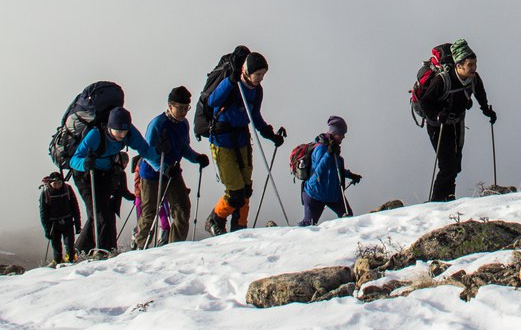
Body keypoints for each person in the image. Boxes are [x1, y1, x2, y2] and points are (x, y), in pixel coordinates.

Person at [203, 51, 285, 235]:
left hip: (242, 140)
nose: (261, 78)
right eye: (259, 74)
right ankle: (216, 218)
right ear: (248, 71)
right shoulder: (233, 84)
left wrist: (270, 134)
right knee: (235, 191)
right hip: (222, 141)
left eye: (263, 74)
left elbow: (254, 116)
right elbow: (212, 101)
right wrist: (230, 82)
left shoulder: (257, 90)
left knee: (246, 189)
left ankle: (239, 227)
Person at [416, 38, 496, 201]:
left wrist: (486, 110)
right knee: (447, 166)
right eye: (470, 65)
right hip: (437, 126)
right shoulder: (442, 80)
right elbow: (425, 102)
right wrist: (437, 115)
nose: (474, 69)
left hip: (457, 123)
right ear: (458, 65)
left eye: (475, 64)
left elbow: (480, 93)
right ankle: (436, 202)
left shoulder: (473, 78)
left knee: (455, 165)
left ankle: (448, 198)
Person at [69, 106, 156, 255]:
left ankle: (90, 250)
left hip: (104, 173)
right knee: (99, 214)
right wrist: (84, 164)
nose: (122, 135)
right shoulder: (95, 135)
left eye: (124, 131)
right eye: (119, 131)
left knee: (106, 213)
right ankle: (101, 252)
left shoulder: (129, 133)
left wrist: (162, 166)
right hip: (85, 175)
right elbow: (73, 160)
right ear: (110, 127)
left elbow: (145, 150)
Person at [134, 86, 210, 247]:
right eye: (180, 108)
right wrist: (163, 168)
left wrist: (197, 158)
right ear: (170, 105)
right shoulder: (157, 124)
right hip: (152, 174)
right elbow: (147, 153)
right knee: (149, 213)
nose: (183, 112)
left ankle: (175, 247)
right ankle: (140, 248)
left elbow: (183, 148)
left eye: (186, 108)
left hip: (173, 172)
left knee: (183, 208)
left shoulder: (183, 125)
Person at [298, 115, 362, 225]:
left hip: (332, 193)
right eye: (342, 134)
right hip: (315, 194)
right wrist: (329, 153)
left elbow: (333, 169)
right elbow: (319, 172)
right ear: (334, 132)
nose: (343, 137)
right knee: (308, 225)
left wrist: (350, 175)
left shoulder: (333, 147)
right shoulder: (321, 148)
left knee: (348, 219)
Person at [38, 172, 81, 265]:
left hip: (67, 221)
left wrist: (78, 224)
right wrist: (47, 229)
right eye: (55, 184)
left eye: (59, 183)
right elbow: (43, 213)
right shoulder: (46, 193)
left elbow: (75, 207)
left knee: (69, 245)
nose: (57, 185)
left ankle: (70, 261)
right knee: (56, 247)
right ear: (50, 183)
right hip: (53, 224)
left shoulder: (67, 189)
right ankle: (58, 262)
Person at [130, 167, 170, 248]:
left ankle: (138, 240)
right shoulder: (143, 164)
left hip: (151, 195)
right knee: (145, 220)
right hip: (144, 195)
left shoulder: (143, 163)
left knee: (147, 219)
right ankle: (140, 241)